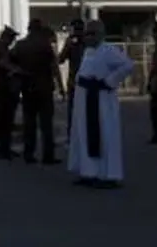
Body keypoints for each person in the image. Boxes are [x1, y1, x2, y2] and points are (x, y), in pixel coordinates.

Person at [67, 20, 134, 189]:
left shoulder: (109, 50)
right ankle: (88, 172)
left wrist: (108, 82)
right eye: (87, 34)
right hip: (84, 99)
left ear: (100, 35)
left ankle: (108, 175)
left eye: (92, 34)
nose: (88, 37)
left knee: (105, 135)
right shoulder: (88, 52)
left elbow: (127, 65)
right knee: (83, 134)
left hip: (101, 99)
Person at [9, 19, 64, 165]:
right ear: (39, 30)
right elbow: (54, 67)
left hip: (27, 88)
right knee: (46, 124)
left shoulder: (20, 45)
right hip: (44, 88)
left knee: (29, 123)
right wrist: (61, 88)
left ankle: (29, 153)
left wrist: (18, 74)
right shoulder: (45, 46)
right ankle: (48, 155)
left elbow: (9, 61)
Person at [0, 26, 21, 160]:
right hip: (2, 87)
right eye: (12, 38)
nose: (12, 40)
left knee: (5, 119)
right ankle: (2, 150)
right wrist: (16, 70)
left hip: (1, 86)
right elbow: (2, 64)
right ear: (6, 37)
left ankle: (5, 148)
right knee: (3, 119)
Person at [57, 19, 85, 130]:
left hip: (74, 81)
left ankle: (72, 134)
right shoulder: (90, 41)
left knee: (73, 111)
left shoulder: (70, 42)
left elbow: (61, 59)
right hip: (88, 81)